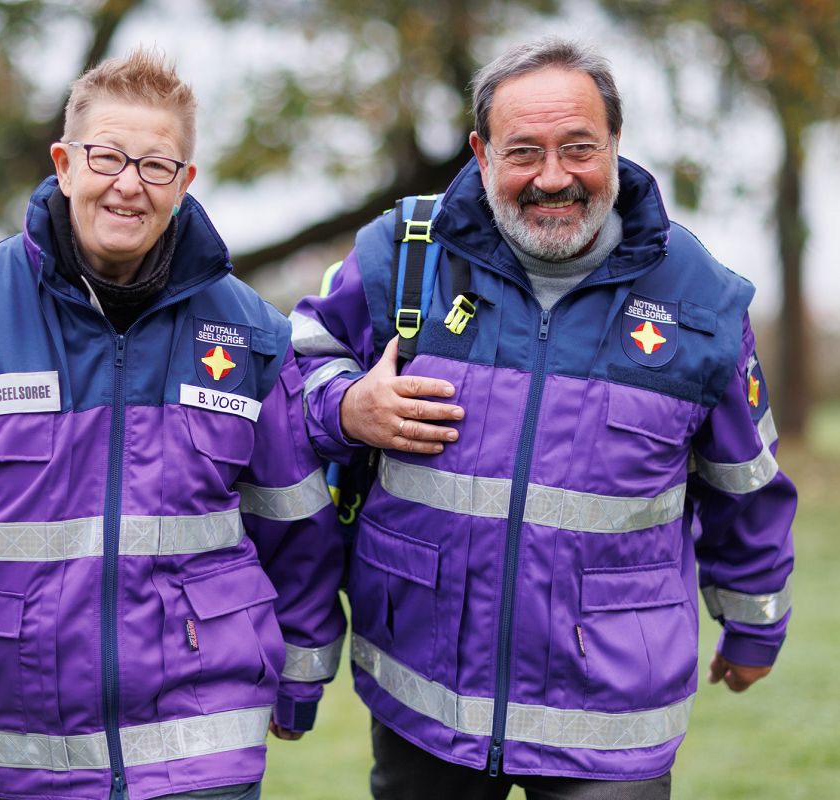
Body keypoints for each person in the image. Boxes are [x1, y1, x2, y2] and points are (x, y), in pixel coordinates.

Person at [0, 49, 345, 800]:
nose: (128, 184)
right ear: (65, 164)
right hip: (11, 752)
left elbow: (294, 517)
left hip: (200, 749)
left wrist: (302, 670)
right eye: (107, 157)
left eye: (156, 166)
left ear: (184, 184)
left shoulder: (250, 334)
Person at [292, 38, 795, 799]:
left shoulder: (703, 300)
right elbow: (299, 359)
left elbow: (745, 480)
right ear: (481, 152)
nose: (553, 177)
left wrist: (754, 622)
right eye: (523, 151)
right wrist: (348, 407)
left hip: (611, 714)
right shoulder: (403, 253)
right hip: (426, 693)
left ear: (616, 147)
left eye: (579, 148)